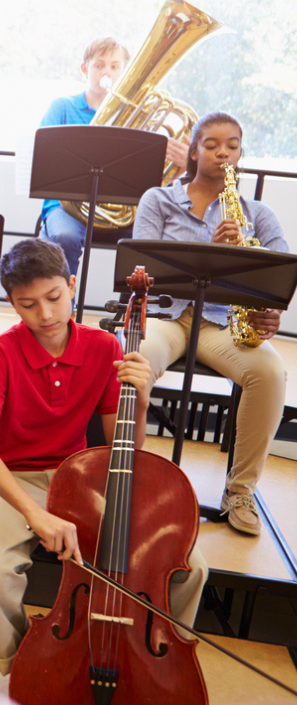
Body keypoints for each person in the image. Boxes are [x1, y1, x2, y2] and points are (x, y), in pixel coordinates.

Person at [0, 238, 207, 675]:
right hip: (10, 479)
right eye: (27, 304)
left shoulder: (103, 347)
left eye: (54, 297)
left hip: (79, 479)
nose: (44, 314)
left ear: (72, 284)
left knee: (189, 566)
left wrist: (139, 398)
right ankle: (29, 659)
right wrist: (33, 514)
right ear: (12, 303)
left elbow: (126, 447)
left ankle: (161, 661)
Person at [133, 111, 287, 536]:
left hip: (221, 324)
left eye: (232, 145)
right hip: (167, 313)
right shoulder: (158, 200)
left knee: (271, 371)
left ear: (241, 153)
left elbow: (279, 277)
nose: (223, 152)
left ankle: (240, 492)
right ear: (193, 150)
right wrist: (210, 251)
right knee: (137, 359)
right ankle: (123, 477)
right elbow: (141, 269)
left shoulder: (258, 214)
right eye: (212, 144)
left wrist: (270, 310)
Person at [37, 36, 188, 276]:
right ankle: (65, 311)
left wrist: (180, 168)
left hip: (121, 213)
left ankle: (128, 311)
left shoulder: (143, 117)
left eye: (115, 66)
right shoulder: (62, 107)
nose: (106, 71)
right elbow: (43, 157)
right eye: (98, 65)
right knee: (63, 236)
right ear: (85, 70)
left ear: (126, 72)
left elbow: (150, 182)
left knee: (150, 242)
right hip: (68, 208)